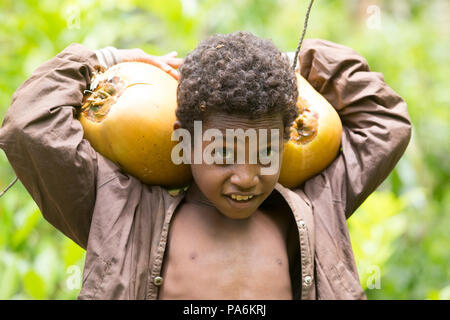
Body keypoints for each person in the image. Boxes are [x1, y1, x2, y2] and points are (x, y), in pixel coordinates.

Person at [0, 31, 411, 299]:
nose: (246, 177)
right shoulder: (121, 214)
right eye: (223, 154)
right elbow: (28, 125)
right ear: (184, 138)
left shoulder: (317, 207)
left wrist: (301, 62)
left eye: (266, 153)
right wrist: (105, 59)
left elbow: (385, 123)